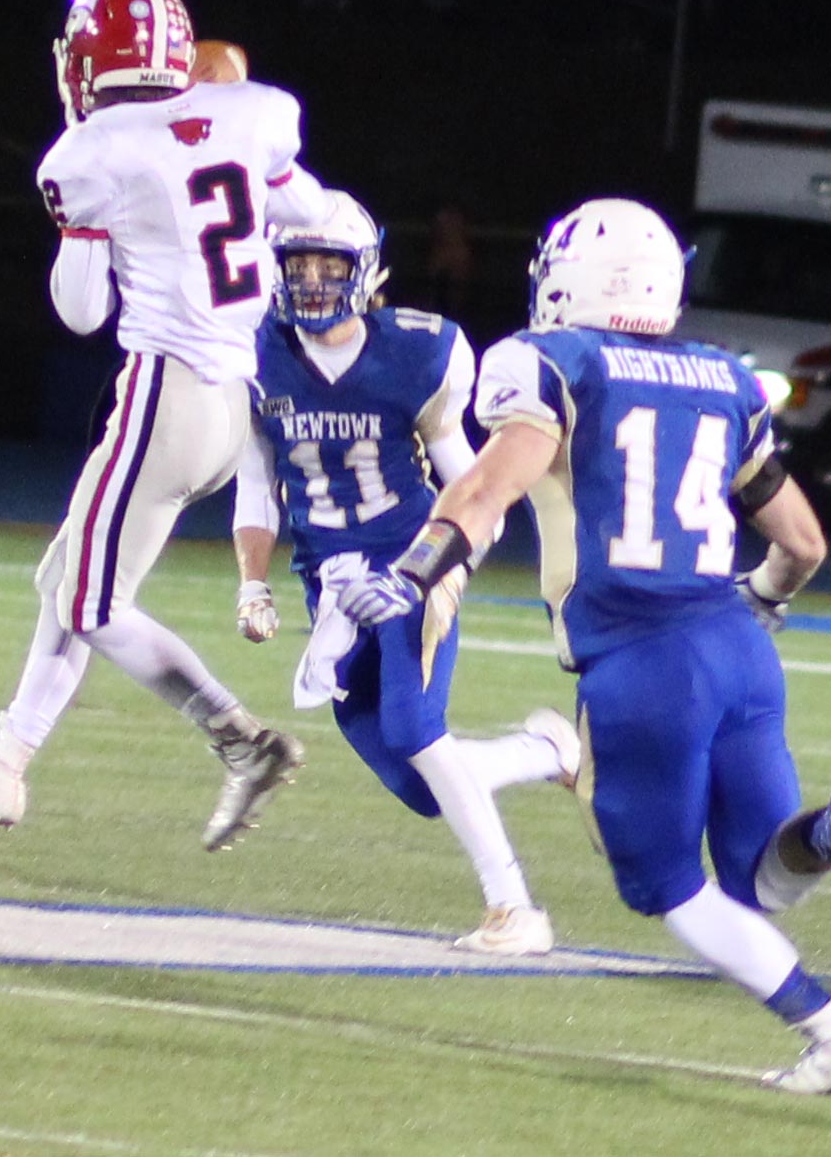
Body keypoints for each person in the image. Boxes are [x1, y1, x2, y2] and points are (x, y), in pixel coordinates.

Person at [340, 198, 831, 1094]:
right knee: (758, 880)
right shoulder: (724, 377)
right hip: (740, 651)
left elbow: (486, 490)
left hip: (641, 663)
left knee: (666, 887)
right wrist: (760, 599)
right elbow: (803, 543)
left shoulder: (557, 362)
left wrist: (414, 573)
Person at [0, 0, 333, 849]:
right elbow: (309, 214)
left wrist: (95, 218)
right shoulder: (251, 113)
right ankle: (2, 768)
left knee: (91, 601)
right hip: (231, 402)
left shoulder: (90, 152)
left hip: (164, 394)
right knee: (67, 582)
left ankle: (240, 740)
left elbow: (81, 311)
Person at [231, 190, 579, 953]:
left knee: (418, 730)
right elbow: (257, 483)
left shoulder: (416, 352)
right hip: (330, 579)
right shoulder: (253, 352)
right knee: (418, 782)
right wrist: (253, 581)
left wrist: (430, 573)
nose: (313, 280)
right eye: (299, 264)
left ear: (365, 270)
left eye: (330, 265)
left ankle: (514, 909)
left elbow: (476, 492)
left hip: (412, 561)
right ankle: (543, 752)